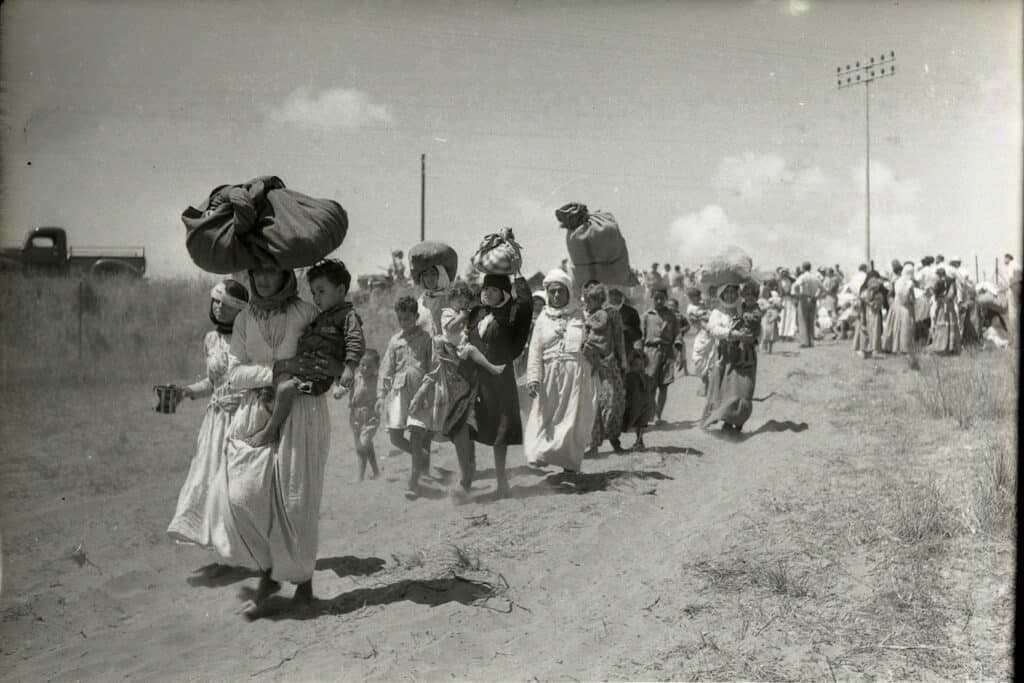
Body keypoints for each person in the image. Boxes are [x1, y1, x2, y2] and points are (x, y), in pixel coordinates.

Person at [217, 267, 341, 613]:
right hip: (255, 409)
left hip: (302, 411)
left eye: (273, 271)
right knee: (243, 497)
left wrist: (298, 375)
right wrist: (276, 370)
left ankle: (303, 585)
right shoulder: (244, 319)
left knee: (297, 503)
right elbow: (234, 372)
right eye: (259, 272)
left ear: (286, 273)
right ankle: (268, 571)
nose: (265, 279)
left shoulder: (307, 312)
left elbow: (325, 359)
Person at [243, 260, 363, 447]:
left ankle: (270, 430)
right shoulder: (322, 315)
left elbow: (355, 341)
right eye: (314, 292)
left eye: (321, 291)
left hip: (316, 379)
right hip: (307, 368)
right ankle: (270, 405)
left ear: (340, 290)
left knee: (285, 389)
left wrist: (349, 367)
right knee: (278, 380)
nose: (316, 297)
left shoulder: (348, 316)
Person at [167, 279, 249, 546]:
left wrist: (241, 400)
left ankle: (246, 547)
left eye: (225, 304)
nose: (218, 308)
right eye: (215, 301)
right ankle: (221, 544)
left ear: (240, 310)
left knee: (237, 484)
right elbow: (213, 382)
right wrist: (184, 391)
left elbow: (260, 378)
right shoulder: (211, 339)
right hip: (214, 422)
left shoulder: (249, 338)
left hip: (243, 418)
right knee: (207, 478)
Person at [451, 273, 533, 498]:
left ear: (504, 293)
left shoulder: (511, 315)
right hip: (472, 378)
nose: (487, 293)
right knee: (464, 425)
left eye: (494, 290)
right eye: (486, 289)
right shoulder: (476, 313)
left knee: (500, 430)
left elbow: (526, 306)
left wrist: (519, 278)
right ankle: (466, 478)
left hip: (498, 380)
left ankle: (501, 481)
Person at [525, 269, 598, 472]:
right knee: (545, 417)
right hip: (548, 376)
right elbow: (535, 351)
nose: (556, 296)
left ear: (568, 292)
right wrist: (533, 378)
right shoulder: (542, 319)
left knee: (571, 420)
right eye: (552, 292)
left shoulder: (581, 314)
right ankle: (540, 454)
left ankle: (569, 463)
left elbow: (596, 338)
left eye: (560, 291)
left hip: (575, 376)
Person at [378, 296, 434, 498]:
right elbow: (386, 369)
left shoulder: (426, 338)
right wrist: (381, 395)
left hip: (420, 393)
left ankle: (414, 483)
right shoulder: (395, 341)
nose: (404, 323)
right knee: (395, 437)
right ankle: (421, 455)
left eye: (408, 318)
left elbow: (432, 367)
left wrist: (428, 390)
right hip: (399, 393)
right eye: (400, 319)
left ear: (416, 317)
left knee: (417, 436)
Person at [701, 282, 759, 433]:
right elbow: (713, 330)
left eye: (733, 291)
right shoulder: (718, 312)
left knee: (745, 390)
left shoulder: (744, 307)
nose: (731, 295)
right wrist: (734, 334)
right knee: (730, 390)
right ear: (721, 294)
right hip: (727, 355)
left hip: (746, 355)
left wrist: (752, 337)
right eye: (727, 292)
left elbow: (757, 328)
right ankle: (728, 422)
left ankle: (739, 420)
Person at [583, 283, 627, 456]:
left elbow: (619, 338)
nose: (587, 303)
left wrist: (623, 360)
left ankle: (615, 440)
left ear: (599, 299)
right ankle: (593, 445)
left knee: (612, 402)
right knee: (593, 404)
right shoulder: (586, 315)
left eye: (590, 300)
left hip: (609, 363)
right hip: (590, 364)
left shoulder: (612, 313)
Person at [639, 287, 680, 425]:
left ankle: (658, 415)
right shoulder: (647, 315)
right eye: (656, 298)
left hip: (667, 352)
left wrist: (677, 345)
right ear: (652, 298)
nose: (658, 301)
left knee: (664, 385)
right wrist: (639, 353)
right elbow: (641, 337)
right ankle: (650, 411)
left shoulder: (671, 316)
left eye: (661, 298)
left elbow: (677, 333)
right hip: (651, 352)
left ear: (665, 299)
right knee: (650, 384)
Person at [347, 349, 381, 481]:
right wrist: (340, 392)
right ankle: (376, 471)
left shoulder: (377, 381)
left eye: (369, 366)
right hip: (355, 415)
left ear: (376, 368)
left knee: (362, 445)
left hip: (370, 416)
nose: (365, 368)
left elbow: (381, 397)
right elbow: (346, 388)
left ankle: (360, 477)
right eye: (362, 364)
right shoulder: (355, 377)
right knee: (363, 444)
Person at [621, 349, 654, 451]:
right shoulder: (632, 377)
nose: (640, 368)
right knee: (639, 424)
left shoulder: (638, 377)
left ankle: (639, 442)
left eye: (641, 365)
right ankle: (639, 442)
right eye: (637, 365)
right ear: (632, 365)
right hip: (638, 405)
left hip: (640, 406)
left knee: (640, 424)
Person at [882, 263, 917, 355]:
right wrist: (913, 301)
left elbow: (894, 293)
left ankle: (892, 346)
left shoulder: (897, 281)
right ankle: (904, 348)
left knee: (895, 326)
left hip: (896, 305)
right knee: (905, 327)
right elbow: (911, 297)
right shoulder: (910, 283)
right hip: (906, 307)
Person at [853, 270, 887, 358]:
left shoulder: (864, 291)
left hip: (864, 313)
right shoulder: (879, 294)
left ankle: (863, 349)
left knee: (864, 331)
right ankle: (874, 349)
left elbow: (860, 303)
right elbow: (878, 305)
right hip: (874, 315)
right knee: (875, 331)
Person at [687, 288, 713, 396]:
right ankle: (705, 380)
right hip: (701, 334)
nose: (694, 299)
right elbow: (696, 320)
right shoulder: (690, 308)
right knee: (697, 358)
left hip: (711, 333)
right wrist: (706, 317)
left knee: (711, 359)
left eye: (696, 296)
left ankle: (709, 385)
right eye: (692, 297)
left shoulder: (703, 304)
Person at [930, 271, 962, 355]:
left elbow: (939, 296)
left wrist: (940, 298)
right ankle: (949, 347)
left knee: (943, 326)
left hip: (943, 308)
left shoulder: (943, 283)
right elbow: (950, 297)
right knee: (949, 326)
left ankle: (942, 347)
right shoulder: (951, 284)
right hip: (948, 308)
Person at [793, 262, 821, 348]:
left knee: (802, 320)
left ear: (803, 268)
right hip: (813, 299)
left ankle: (804, 342)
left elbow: (796, 286)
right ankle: (811, 341)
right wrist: (816, 296)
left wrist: (798, 294)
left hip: (804, 298)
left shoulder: (802, 277)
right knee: (811, 320)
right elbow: (822, 288)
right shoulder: (815, 277)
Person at [608, 287, 642, 352]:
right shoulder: (604, 313)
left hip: (626, 351)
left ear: (621, 296)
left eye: (616, 294)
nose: (614, 297)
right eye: (611, 294)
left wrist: (627, 328)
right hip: (609, 352)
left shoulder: (632, 312)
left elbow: (638, 335)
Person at [777, 268, 798, 340]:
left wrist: (790, 293)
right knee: (782, 316)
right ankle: (781, 334)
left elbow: (795, 283)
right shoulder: (779, 281)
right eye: (783, 273)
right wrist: (782, 293)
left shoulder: (791, 281)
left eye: (785, 273)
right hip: (783, 300)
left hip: (790, 299)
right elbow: (780, 291)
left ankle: (789, 334)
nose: (784, 274)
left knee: (790, 316)